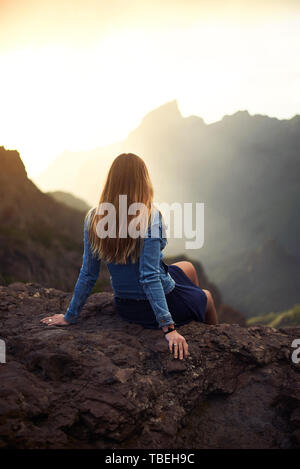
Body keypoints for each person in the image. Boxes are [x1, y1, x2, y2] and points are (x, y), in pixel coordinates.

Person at [41, 153, 218, 360]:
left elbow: (88, 273)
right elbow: (149, 276)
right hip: (150, 306)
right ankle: (214, 348)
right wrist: (168, 329)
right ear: (143, 181)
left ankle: (189, 313)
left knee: (188, 267)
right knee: (207, 297)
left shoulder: (94, 217)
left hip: (125, 305)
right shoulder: (150, 216)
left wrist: (70, 316)